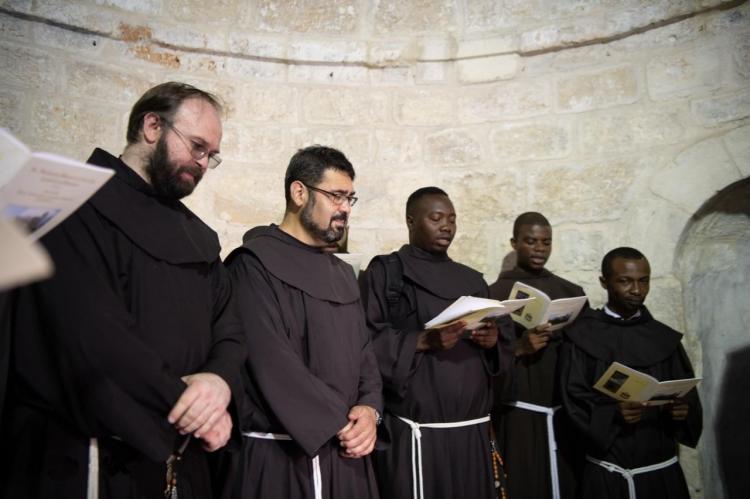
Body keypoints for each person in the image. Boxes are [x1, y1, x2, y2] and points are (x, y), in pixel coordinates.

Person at [0, 82, 244, 499]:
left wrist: (219, 381)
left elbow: (231, 327)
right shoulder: (75, 205)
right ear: (152, 126)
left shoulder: (198, 236)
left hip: (183, 456)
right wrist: (193, 410)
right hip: (92, 452)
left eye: (211, 156)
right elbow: (93, 337)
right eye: (197, 146)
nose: (203, 163)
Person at [224, 146, 382, 499]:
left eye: (350, 198)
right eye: (336, 196)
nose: (344, 208)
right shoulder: (253, 265)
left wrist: (370, 410)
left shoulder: (342, 274)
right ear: (299, 192)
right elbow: (272, 362)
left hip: (348, 459)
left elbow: (365, 356)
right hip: (281, 460)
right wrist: (342, 422)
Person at [360, 186, 507, 499]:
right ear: (411, 221)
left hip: (472, 431)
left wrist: (493, 340)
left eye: (452, 219)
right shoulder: (386, 273)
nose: (447, 226)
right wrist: (422, 340)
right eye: (436, 218)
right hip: (419, 434)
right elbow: (364, 339)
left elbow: (503, 351)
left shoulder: (473, 280)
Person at [559, 247, 702, 499]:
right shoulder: (581, 337)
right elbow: (573, 402)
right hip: (607, 474)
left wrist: (681, 412)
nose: (636, 290)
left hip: (661, 472)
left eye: (643, 281)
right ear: (604, 282)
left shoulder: (664, 339)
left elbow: (687, 397)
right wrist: (613, 414)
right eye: (625, 281)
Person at [488, 211, 587, 499]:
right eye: (531, 241)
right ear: (514, 243)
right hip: (519, 413)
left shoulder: (570, 291)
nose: (540, 248)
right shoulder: (496, 294)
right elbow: (483, 360)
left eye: (546, 242)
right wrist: (519, 349)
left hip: (563, 411)